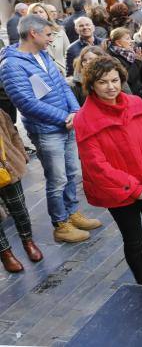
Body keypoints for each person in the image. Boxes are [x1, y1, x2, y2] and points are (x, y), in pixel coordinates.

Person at [74, 56, 142, 288]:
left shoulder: (134, 102)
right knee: (132, 240)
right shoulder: (84, 118)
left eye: (115, 80)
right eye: (103, 82)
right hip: (119, 192)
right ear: (91, 84)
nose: (111, 87)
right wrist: (134, 188)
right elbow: (96, 164)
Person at [0, 16, 101, 243]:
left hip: (67, 124)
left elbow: (63, 87)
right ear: (33, 34)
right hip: (46, 130)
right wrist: (64, 117)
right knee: (57, 179)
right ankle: (61, 224)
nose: (51, 39)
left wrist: (76, 113)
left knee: (72, 173)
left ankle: (72, 212)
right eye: (48, 34)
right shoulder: (12, 65)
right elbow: (26, 102)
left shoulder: (42, 55)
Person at [0, 107, 43, 273]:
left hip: (8, 166)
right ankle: (5, 254)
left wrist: (20, 155)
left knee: (20, 209)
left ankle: (28, 241)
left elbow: (13, 133)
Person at [27, 2, 70, 76]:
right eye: (35, 12)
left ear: (47, 14)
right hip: (46, 76)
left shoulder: (59, 31)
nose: (38, 14)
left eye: (41, 11)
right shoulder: (28, 36)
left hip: (64, 74)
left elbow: (69, 53)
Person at [106, 27, 142, 96]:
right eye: (127, 39)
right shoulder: (114, 59)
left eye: (130, 38)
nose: (131, 41)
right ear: (118, 43)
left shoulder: (127, 53)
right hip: (130, 95)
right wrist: (137, 61)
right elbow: (129, 77)